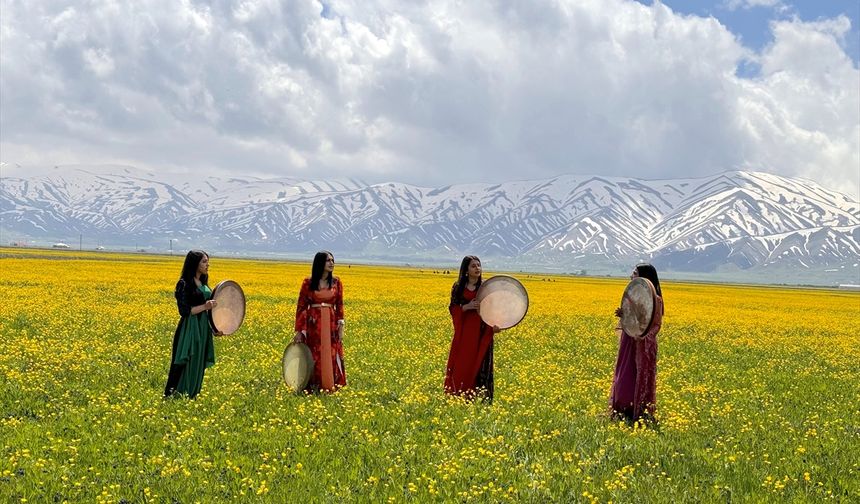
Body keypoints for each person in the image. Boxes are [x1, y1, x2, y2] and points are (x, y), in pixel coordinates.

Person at [609, 263, 664, 422]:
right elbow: (634, 318)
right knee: (624, 374)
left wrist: (643, 337)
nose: (631, 276)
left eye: (634, 273)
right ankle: (621, 407)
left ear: (644, 277)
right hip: (629, 341)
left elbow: (656, 325)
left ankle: (636, 409)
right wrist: (623, 315)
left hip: (642, 345)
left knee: (636, 376)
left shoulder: (656, 301)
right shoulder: (633, 297)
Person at [444, 255, 501, 402]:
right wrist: (466, 307)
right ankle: (457, 393)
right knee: (461, 362)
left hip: (482, 332)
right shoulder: (458, 287)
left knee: (480, 362)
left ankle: (478, 398)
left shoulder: (485, 288)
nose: (477, 268)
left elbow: (494, 309)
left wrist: (495, 326)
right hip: (464, 333)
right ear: (466, 270)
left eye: (479, 265)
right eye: (473, 266)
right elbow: (453, 308)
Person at [164, 250, 219, 399]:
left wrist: (214, 328)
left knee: (199, 359)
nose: (207, 265)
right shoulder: (184, 284)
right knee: (186, 358)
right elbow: (184, 311)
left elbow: (209, 311)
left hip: (203, 327)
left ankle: (192, 394)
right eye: (204, 262)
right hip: (190, 327)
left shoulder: (203, 282)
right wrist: (205, 307)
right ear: (194, 264)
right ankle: (176, 393)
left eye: (207, 261)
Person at [293, 251, 346, 392]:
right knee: (313, 353)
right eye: (328, 260)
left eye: (332, 260)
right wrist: (299, 330)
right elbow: (301, 306)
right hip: (313, 324)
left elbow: (339, 305)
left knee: (331, 352)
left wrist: (341, 326)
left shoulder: (336, 282)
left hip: (331, 323)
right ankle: (312, 385)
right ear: (319, 263)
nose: (331, 263)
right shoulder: (308, 282)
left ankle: (329, 385)